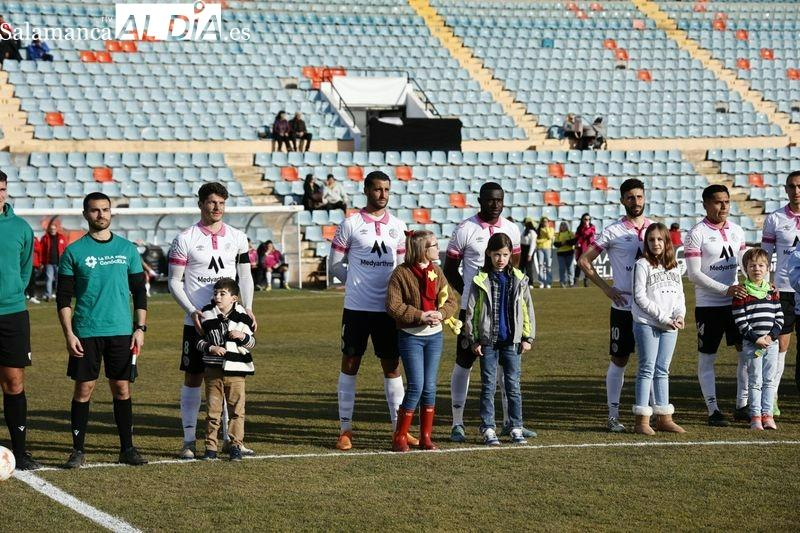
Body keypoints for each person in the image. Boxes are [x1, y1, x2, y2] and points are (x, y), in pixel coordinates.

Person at [58, 192, 148, 468]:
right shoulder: (74, 252)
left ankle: (127, 449)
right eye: (95, 211)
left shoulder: (127, 250)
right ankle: (78, 450)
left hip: (121, 331)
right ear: (86, 214)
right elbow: (64, 299)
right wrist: (69, 334)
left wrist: (140, 328)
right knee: (84, 389)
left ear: (111, 212)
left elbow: (139, 293)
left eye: (105, 210)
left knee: (121, 388)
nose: (101, 215)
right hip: (86, 331)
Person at [168, 182, 256, 460]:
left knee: (232, 375)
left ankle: (234, 441)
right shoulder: (185, 238)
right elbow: (173, 281)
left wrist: (249, 309)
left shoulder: (238, 237)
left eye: (221, 203)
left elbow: (245, 277)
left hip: (231, 323)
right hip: (197, 322)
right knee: (194, 376)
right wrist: (193, 310)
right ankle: (188, 441)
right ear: (201, 204)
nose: (217, 208)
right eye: (211, 202)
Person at [444, 181, 534, 442]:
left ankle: (509, 422)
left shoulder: (511, 229)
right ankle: (457, 422)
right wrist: (471, 296)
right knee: (464, 363)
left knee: (508, 368)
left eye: (499, 200)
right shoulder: (465, 229)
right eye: (490, 200)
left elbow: (514, 269)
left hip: (505, 314)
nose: (495, 205)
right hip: (473, 312)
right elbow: (450, 269)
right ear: (480, 200)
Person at [329, 170, 409, 451]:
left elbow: (401, 269)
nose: (383, 194)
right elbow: (335, 264)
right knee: (350, 364)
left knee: (392, 366)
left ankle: (399, 431)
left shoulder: (398, 226)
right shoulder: (350, 224)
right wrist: (354, 283)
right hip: (357, 308)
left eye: (386, 189)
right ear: (366, 190)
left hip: (388, 309)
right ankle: (345, 430)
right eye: (377, 189)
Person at [578, 178, 652, 433]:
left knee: (650, 362)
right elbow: (584, 261)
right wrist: (607, 288)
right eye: (630, 197)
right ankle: (613, 415)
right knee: (619, 359)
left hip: (651, 308)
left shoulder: (656, 229)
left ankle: (650, 414)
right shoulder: (613, 231)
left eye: (639, 197)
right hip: (623, 306)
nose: (636, 202)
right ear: (622, 201)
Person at [385, 230, 459, 452]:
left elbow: (451, 301)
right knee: (416, 386)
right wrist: (420, 315)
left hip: (434, 338)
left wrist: (441, 314)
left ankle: (426, 437)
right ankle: (400, 436)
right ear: (422, 250)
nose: (438, 248)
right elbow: (393, 306)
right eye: (434, 245)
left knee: (430, 388)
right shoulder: (400, 274)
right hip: (411, 338)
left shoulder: (437, 271)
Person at [685, 184, 747, 427]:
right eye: (718, 202)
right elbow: (694, 274)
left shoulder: (738, 230)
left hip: (736, 304)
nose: (724, 207)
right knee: (707, 358)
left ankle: (742, 405)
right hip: (709, 306)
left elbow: (744, 263)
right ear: (706, 204)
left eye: (727, 202)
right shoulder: (696, 233)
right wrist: (725, 289)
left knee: (745, 353)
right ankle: (713, 410)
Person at [464, 233, 535, 445]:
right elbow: (472, 311)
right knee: (488, 386)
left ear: (510, 255)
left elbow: (526, 308)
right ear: (489, 254)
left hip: (512, 342)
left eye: (505, 255)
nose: (501, 259)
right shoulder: (481, 279)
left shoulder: (519, 279)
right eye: (496, 255)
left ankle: (515, 426)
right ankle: (488, 428)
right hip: (488, 342)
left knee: (513, 385)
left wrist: (527, 337)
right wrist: (474, 338)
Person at [0, 170, 41, 470]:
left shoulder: (21, 228)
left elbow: (25, 270)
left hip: (12, 314)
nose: (0, 195)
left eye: (2, 189)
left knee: (14, 383)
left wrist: (13, 293)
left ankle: (21, 451)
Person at [631, 223, 686, 435]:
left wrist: (680, 315)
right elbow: (639, 297)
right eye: (651, 239)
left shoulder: (673, 266)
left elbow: (680, 294)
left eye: (660, 239)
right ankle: (642, 421)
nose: (656, 243)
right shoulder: (642, 264)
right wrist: (663, 318)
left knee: (663, 370)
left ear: (667, 241)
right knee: (647, 369)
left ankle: (664, 418)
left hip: (671, 324)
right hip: (648, 323)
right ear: (646, 242)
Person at [196, 278, 256, 460]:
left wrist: (242, 336)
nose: (218, 297)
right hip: (213, 370)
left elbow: (252, 343)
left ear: (234, 298)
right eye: (215, 293)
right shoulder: (206, 314)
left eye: (223, 294)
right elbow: (197, 341)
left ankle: (235, 445)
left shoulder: (243, 317)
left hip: (237, 370)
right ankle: (210, 447)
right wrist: (210, 348)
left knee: (237, 410)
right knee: (213, 411)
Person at [732, 248, 783, 431]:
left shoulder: (772, 291)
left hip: (771, 344)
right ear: (745, 268)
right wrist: (755, 338)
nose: (757, 269)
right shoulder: (742, 292)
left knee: (769, 380)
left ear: (768, 268)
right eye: (752, 266)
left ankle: (767, 415)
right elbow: (740, 319)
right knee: (755, 381)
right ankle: (755, 417)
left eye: (761, 265)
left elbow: (779, 317)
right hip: (752, 344)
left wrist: (771, 336)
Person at [763, 170, 800, 413]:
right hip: (783, 290)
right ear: (785, 189)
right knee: (780, 346)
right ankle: (772, 397)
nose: (796, 190)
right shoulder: (775, 218)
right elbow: (764, 256)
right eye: (792, 186)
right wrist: (766, 285)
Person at [41, 220, 67, 301]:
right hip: (49, 263)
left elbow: (65, 249)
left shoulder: (61, 237)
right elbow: (41, 251)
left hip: (59, 262)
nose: (52, 230)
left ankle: (58, 294)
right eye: (51, 229)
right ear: (49, 229)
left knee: (58, 280)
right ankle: (48, 295)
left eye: (54, 229)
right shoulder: (45, 238)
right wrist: (41, 262)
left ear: (56, 229)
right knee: (49, 279)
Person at [573, 213, 596, 288]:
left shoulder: (592, 227)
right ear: (582, 220)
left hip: (588, 248)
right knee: (579, 265)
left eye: (589, 219)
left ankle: (586, 282)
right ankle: (575, 283)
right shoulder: (579, 228)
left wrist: (587, 226)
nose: (587, 221)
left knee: (587, 265)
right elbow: (577, 237)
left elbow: (587, 233)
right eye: (585, 219)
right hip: (580, 249)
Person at [553, 221, 575, 288]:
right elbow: (555, 244)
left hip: (569, 252)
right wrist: (561, 243)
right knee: (562, 269)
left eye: (564, 225)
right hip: (561, 253)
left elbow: (573, 241)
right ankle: (563, 283)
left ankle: (571, 282)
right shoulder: (558, 234)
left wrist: (566, 242)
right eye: (562, 225)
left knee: (570, 268)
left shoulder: (570, 233)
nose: (563, 226)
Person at [534, 216, 554, 288]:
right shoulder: (538, 230)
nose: (545, 223)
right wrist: (545, 240)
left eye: (546, 221)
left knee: (548, 265)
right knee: (540, 265)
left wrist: (547, 228)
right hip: (539, 249)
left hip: (548, 248)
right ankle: (541, 282)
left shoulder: (551, 229)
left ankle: (548, 282)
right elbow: (536, 241)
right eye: (544, 221)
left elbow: (550, 236)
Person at [519, 217, 536, 287]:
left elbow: (533, 244)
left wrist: (530, 254)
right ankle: (521, 281)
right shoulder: (524, 231)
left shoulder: (532, 232)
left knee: (528, 267)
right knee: (521, 267)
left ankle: (530, 283)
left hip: (528, 250)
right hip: (522, 249)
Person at [25, 236, 41, 304]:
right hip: (24, 263)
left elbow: (39, 249)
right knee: (24, 280)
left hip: (33, 264)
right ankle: (26, 295)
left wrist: (40, 262)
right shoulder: (23, 237)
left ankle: (31, 296)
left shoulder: (35, 239)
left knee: (32, 280)